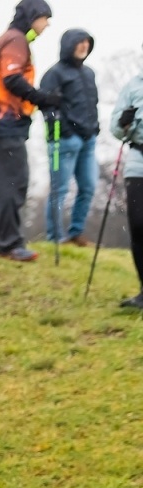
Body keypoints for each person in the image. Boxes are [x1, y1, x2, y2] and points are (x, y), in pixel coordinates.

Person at [0, 1, 62, 261]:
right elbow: (12, 78)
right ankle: (10, 244)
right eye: (45, 18)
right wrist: (43, 98)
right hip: (4, 121)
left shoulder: (5, 39)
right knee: (13, 182)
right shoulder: (17, 40)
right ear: (32, 17)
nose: (47, 25)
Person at [40, 29, 98, 245]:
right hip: (63, 141)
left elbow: (93, 103)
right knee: (60, 189)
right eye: (79, 42)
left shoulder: (90, 73)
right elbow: (45, 106)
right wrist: (64, 130)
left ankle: (76, 233)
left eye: (87, 43)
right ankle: (55, 237)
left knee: (89, 187)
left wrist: (95, 128)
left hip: (88, 140)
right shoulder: (54, 74)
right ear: (68, 45)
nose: (84, 46)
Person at [111, 61, 143, 309]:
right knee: (139, 226)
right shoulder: (132, 86)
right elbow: (115, 129)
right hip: (138, 164)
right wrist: (124, 122)